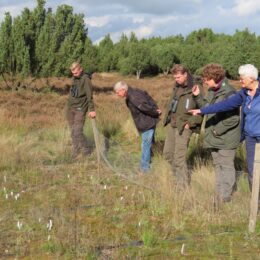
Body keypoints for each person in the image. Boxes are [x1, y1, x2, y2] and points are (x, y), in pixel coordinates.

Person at [190, 64, 260, 202]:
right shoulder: (243, 93)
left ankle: (230, 197)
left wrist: (217, 130)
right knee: (252, 170)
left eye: (242, 78)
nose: (240, 81)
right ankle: (256, 202)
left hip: (254, 136)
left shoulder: (241, 91)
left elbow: (233, 118)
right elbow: (224, 105)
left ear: (252, 78)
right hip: (250, 137)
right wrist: (202, 110)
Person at [192, 63, 240, 202]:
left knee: (226, 166)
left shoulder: (229, 92)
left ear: (215, 77)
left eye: (207, 79)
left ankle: (226, 197)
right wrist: (197, 96)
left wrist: (217, 130)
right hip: (214, 137)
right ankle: (219, 193)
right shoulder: (212, 91)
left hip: (225, 138)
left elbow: (234, 119)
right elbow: (206, 108)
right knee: (218, 165)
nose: (205, 82)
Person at [163, 64, 203, 187]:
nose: (177, 79)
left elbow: (203, 109)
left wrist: (190, 123)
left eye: (179, 77)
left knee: (179, 157)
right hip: (173, 124)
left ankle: (182, 186)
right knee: (168, 154)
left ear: (186, 74)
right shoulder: (176, 86)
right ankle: (177, 177)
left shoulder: (195, 87)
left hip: (184, 126)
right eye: (175, 77)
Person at [114, 81, 161, 173]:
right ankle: (149, 162)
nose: (117, 94)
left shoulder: (134, 97)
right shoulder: (131, 94)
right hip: (145, 122)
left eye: (117, 92)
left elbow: (145, 107)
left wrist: (155, 112)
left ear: (123, 90)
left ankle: (144, 169)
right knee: (149, 143)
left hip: (147, 123)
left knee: (145, 145)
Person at [67, 62, 96, 159]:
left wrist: (91, 109)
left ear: (81, 69)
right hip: (71, 108)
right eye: (72, 72)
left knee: (78, 131)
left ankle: (86, 149)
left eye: (75, 72)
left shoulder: (86, 79)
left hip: (80, 109)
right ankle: (76, 149)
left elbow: (89, 96)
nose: (73, 74)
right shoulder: (74, 78)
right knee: (72, 131)